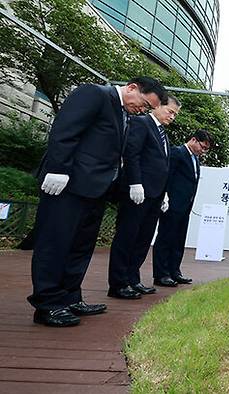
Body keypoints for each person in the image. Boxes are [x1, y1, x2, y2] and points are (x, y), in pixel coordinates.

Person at [28, 77, 168, 327]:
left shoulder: (124, 113)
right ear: (132, 88)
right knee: (56, 244)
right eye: (145, 104)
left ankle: (70, 297)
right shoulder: (94, 94)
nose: (143, 110)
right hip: (68, 185)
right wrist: (59, 168)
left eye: (148, 109)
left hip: (96, 190)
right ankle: (47, 304)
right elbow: (65, 129)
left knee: (80, 247)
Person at [107, 95, 181, 299]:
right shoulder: (141, 123)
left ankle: (133, 278)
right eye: (170, 111)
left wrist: (164, 193)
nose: (172, 117)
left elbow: (163, 166)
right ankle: (118, 283)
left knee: (143, 238)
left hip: (156, 195)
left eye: (175, 114)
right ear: (158, 106)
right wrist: (134, 182)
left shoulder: (163, 133)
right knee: (127, 236)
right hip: (137, 192)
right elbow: (132, 154)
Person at [152, 130, 212, 287]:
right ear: (193, 140)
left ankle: (174, 271)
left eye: (206, 149)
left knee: (178, 239)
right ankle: (161, 274)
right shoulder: (177, 153)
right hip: (172, 205)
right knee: (165, 238)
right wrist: (164, 196)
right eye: (203, 147)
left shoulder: (195, 159)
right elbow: (167, 176)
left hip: (185, 206)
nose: (203, 151)